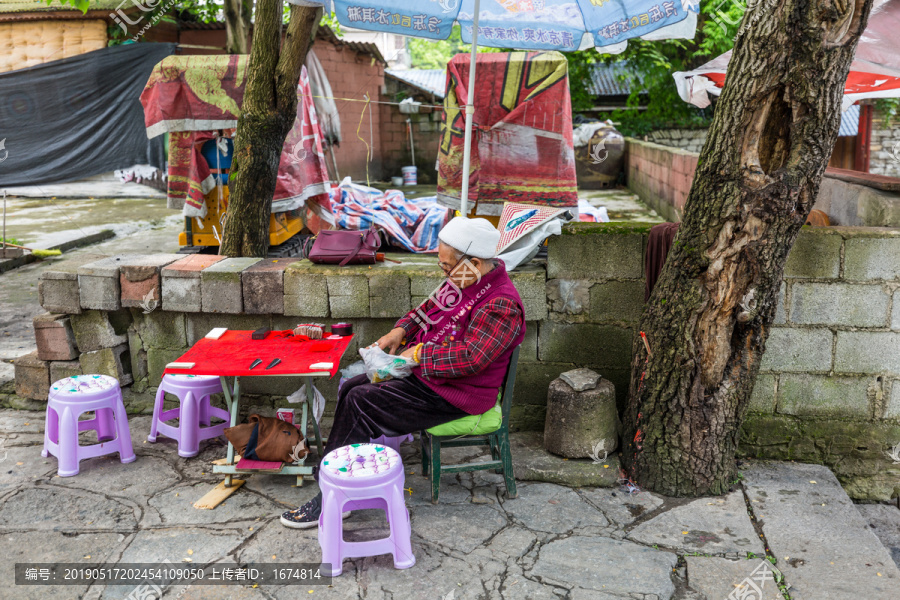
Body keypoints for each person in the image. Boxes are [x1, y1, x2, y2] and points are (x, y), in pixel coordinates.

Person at [281, 217, 526, 528]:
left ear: (475, 262)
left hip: (458, 393)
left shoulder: (500, 303)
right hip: (430, 377)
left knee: (361, 401)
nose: (446, 274)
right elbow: (425, 311)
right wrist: (400, 331)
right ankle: (345, 476)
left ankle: (333, 496)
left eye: (448, 267)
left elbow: (471, 358)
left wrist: (421, 353)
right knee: (352, 387)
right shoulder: (464, 278)